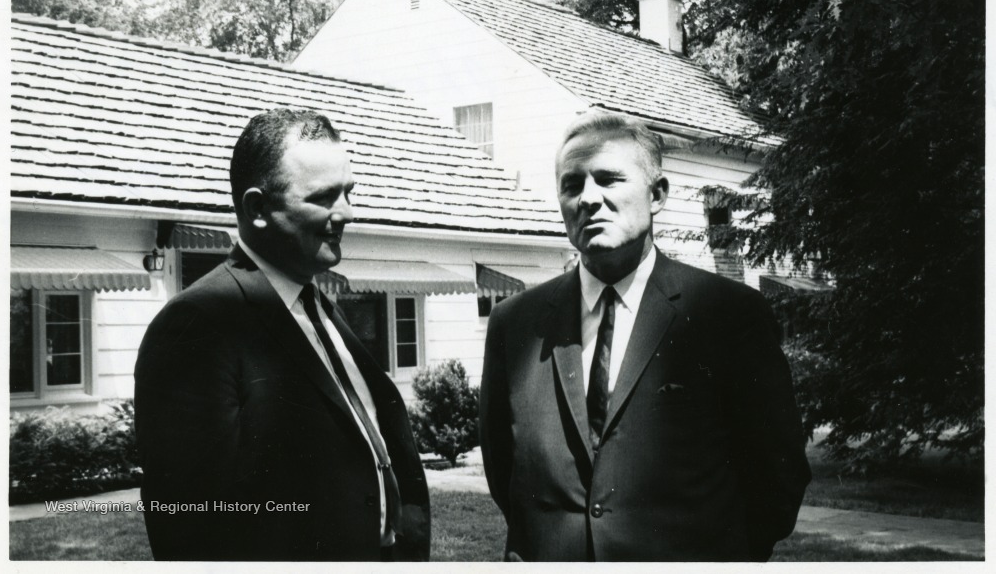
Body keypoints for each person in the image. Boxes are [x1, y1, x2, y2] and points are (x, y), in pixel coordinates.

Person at [480, 111, 810, 561]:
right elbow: (505, 474)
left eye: (609, 179)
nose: (588, 199)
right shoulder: (516, 324)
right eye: (572, 185)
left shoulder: (726, 314)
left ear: (657, 195)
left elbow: (777, 475)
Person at [135, 109, 429, 561]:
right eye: (324, 196)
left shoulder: (318, 308)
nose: (346, 213)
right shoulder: (198, 325)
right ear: (257, 209)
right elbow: (190, 529)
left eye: (348, 192)